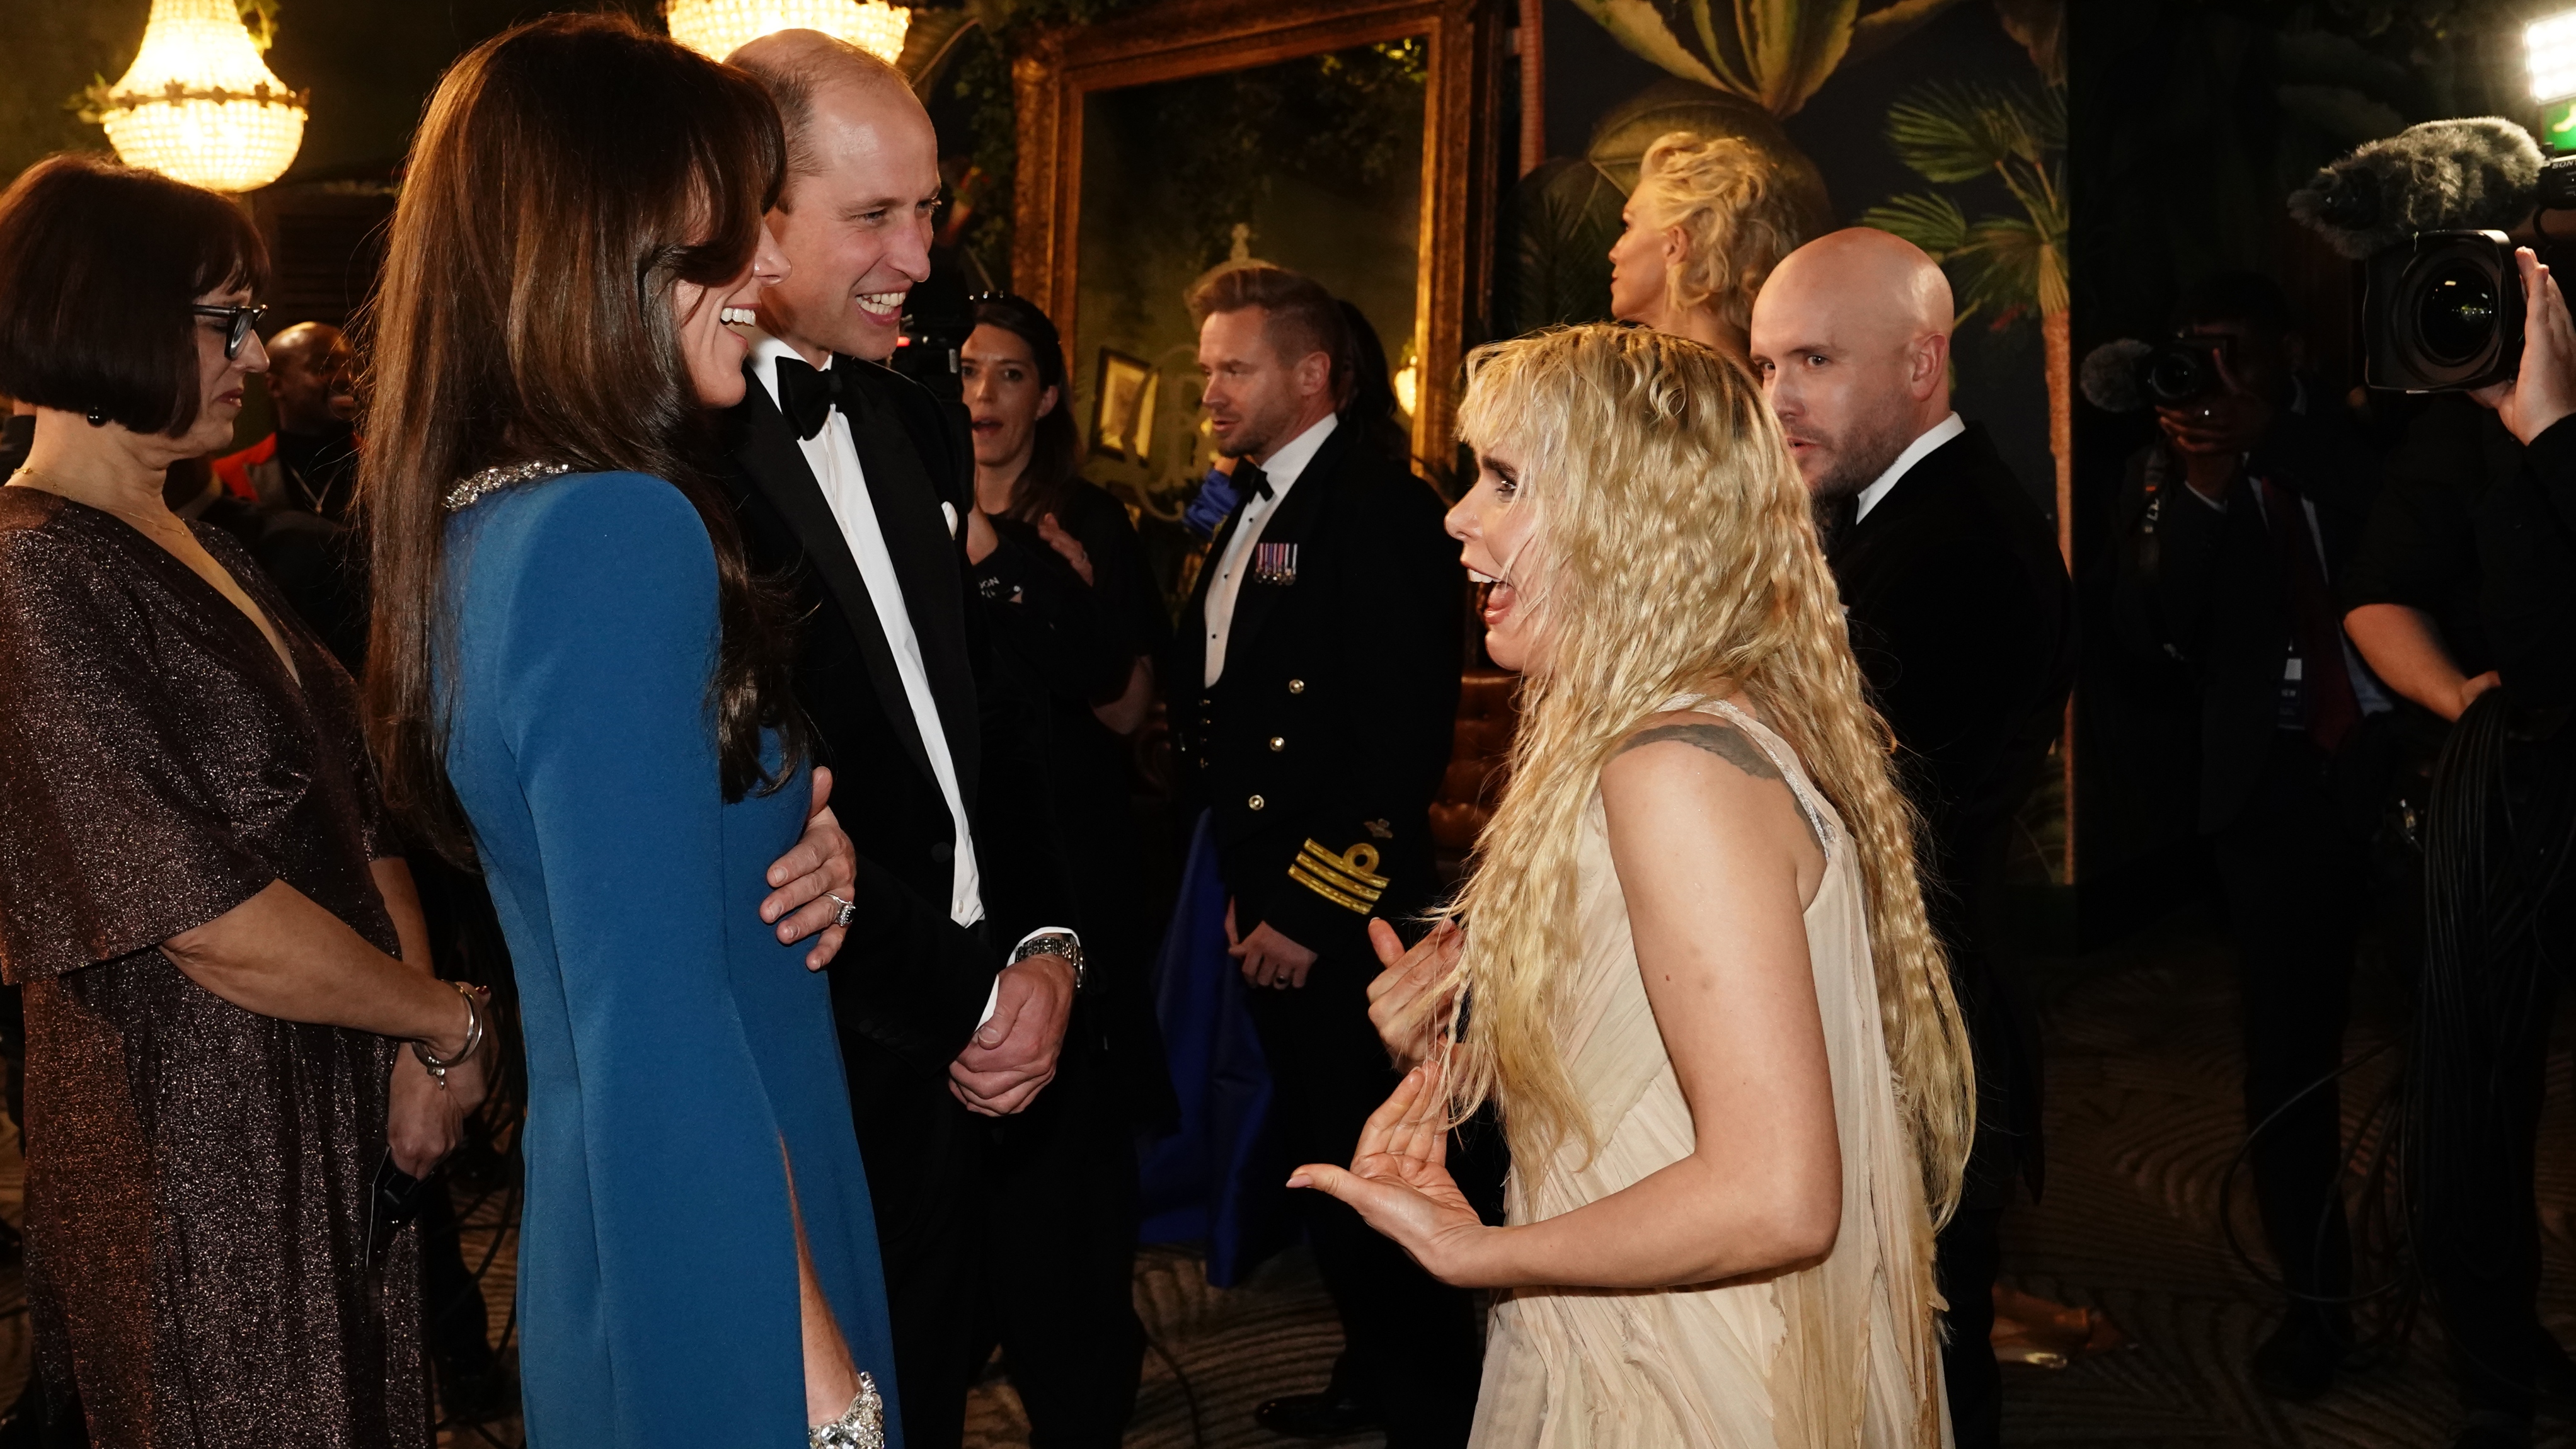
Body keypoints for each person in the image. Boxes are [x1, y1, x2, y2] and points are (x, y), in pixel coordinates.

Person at [359, 17, 899, 1445]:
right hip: (720, 1246)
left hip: (624, 1215)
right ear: (601, 248)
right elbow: (658, 1021)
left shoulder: (484, 526)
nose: (767, 275)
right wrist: (818, 1384)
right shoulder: (617, 531)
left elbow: (617, 901)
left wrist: (787, 831)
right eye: (725, 238)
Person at [1310, 321, 1969, 1446]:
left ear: (1631, 516)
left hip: (1677, 1370)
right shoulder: (1678, 730)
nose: (1460, 516)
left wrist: (1477, 1255)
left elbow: (1774, 1195)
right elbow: (1667, 1074)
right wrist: (1471, 1054)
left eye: (1507, 480)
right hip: (1646, 1329)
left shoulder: (1671, 768)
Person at [0, 153, 486, 1449]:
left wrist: (409, 1046)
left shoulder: (199, 538)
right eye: (227, 321)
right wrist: (439, 1020)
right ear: (116, 321)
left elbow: (355, 803)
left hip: (321, 1095)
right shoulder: (32, 570)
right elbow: (194, 909)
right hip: (192, 1142)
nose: (256, 351)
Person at [718, 30, 1083, 1449]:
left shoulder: (911, 421)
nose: (920, 258)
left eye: (928, 211)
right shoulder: (664, 467)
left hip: (978, 1033)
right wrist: (961, 1002)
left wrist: (1045, 946)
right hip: (814, 1050)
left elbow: (983, 726)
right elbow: (751, 835)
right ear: (750, 218)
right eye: (874, 216)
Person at [1747, 227, 2075, 1449]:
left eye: (1815, 359)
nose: (1778, 395)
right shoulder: (1890, 514)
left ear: (1921, 362)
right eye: (1766, 362)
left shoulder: (1956, 545)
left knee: (1919, 1363)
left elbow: (1852, 814)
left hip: (1913, 1021)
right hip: (1892, 1002)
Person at [1166, 261, 1473, 1446]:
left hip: (1341, 910)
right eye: (1206, 368)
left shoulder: (1379, 507)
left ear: (1311, 373)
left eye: (1233, 368)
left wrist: (1306, 908)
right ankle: (1375, 1374)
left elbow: (1396, 740)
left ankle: (1428, 1406)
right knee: (1325, 1154)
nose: (1212, 389)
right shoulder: (1246, 496)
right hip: (1257, 874)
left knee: (1374, 1163)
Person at [2112, 270, 2394, 1399]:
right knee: (2286, 1064)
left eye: (2236, 352)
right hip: (2270, 794)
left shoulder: (2365, 441)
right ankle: (2312, 1304)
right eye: (2193, 351)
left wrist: (2268, 447)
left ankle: (2491, 1321)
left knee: (2471, 1049)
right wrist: (2205, 482)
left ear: (2290, 358)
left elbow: (2398, 540)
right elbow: (2155, 633)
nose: (2211, 377)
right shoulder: (2171, 469)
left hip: (2400, 763)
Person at [2340, 246, 2576, 1449]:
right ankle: (2495, 1364)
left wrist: (2552, 430)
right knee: (2473, 1092)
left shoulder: (2543, 416)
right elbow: (2375, 592)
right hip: (2511, 803)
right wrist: (2461, 703)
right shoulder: (2458, 415)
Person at [951, 290, 1171, 1444]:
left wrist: (1024, 574)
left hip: (1071, 883)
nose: (983, 397)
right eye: (968, 372)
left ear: (1048, 396)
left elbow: (1126, 700)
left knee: (1066, 1196)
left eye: (1010, 376)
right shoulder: (897, 517)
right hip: (946, 892)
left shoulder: (1085, 521)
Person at [1608, 132, 1814, 361]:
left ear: (1675, 246)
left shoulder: (1656, 391)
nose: (1613, 253)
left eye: (1627, 226)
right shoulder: (1766, 389)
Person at [214, 320, 359, 519]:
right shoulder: (227, 476)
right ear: (275, 386)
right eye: (323, 367)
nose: (346, 377)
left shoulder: (387, 465)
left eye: (350, 365)